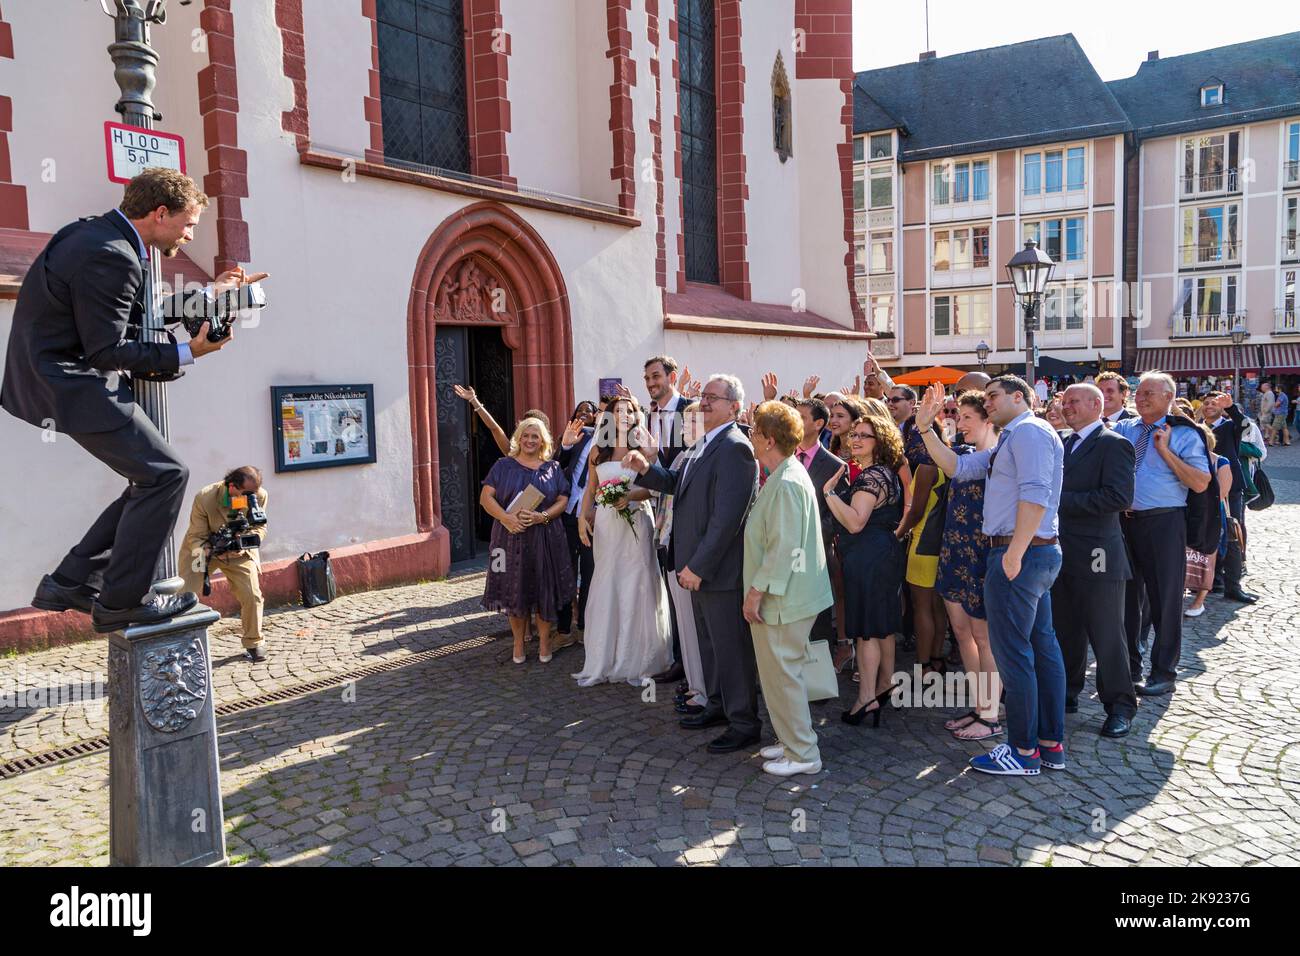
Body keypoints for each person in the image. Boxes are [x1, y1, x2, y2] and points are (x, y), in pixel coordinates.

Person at [6, 168, 266, 632]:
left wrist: (210, 295)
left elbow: (129, 313)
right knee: (167, 475)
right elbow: (108, 347)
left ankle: (70, 580)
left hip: (54, 376)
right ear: (160, 212)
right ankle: (118, 603)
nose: (189, 236)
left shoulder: (97, 234)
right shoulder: (113, 255)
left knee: (149, 478)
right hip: (70, 382)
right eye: (188, 224)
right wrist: (191, 350)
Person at [915, 376, 1066, 776]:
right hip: (1025, 552)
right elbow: (958, 467)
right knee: (1039, 648)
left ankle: (1023, 751)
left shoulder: (1029, 432)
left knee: (1015, 654)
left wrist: (1013, 555)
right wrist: (925, 428)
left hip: (1021, 553)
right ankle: (1047, 745)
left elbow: (1035, 494)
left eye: (993, 396)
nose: (988, 402)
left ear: (1021, 397)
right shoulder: (1012, 439)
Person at [625, 374, 761, 754]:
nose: (702, 403)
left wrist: (699, 566)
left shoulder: (736, 448)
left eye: (712, 398)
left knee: (731, 650)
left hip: (718, 572)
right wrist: (645, 468)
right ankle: (717, 706)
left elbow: (727, 519)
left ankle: (744, 722)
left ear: (734, 406)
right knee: (709, 647)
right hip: (696, 568)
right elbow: (675, 483)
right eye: (702, 396)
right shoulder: (704, 443)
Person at [744, 401, 834, 776]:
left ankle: (803, 754)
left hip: (784, 598)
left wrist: (756, 592)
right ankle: (790, 741)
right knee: (779, 676)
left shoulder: (786, 480)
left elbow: (783, 548)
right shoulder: (786, 473)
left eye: (753, 431)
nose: (749, 436)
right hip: (787, 595)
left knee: (784, 677)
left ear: (767, 439)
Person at [1114, 372, 1211, 696]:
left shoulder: (1184, 434)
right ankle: (1129, 666)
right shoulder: (1125, 428)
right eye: (1139, 393)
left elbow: (1199, 482)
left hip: (1164, 523)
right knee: (1127, 599)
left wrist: (1166, 451)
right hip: (1124, 522)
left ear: (1169, 397)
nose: (1140, 399)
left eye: (1149, 394)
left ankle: (1164, 672)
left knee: (1165, 600)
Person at [1052, 384, 1137, 738]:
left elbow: (1118, 496)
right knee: (1065, 628)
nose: (1066, 406)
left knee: (1106, 632)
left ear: (1096, 405)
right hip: (1061, 550)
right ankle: (1067, 693)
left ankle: (1120, 704)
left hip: (1099, 552)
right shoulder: (1064, 442)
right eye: (1064, 401)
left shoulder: (1114, 443)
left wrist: (1057, 501)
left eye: (1073, 401)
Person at [572, 395, 672, 685]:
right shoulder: (598, 450)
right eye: (617, 410)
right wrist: (582, 517)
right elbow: (591, 488)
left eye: (629, 410)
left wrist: (629, 496)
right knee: (608, 579)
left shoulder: (644, 448)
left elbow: (655, 487)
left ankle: (639, 658)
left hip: (637, 520)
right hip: (606, 523)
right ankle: (606, 656)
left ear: (636, 415)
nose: (623, 414)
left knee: (638, 580)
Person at [822, 409, 907, 728]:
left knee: (867, 630)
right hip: (878, 554)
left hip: (869, 556)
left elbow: (855, 522)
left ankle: (866, 698)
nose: (855, 439)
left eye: (863, 435)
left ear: (879, 441)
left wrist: (829, 494)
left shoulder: (872, 476)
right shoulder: (883, 473)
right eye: (853, 434)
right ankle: (884, 685)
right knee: (881, 626)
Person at [479, 417, 575, 664]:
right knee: (515, 590)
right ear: (518, 438)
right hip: (509, 539)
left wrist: (542, 516)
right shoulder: (503, 466)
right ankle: (518, 641)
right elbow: (485, 498)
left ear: (543, 440)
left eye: (535, 436)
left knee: (544, 588)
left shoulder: (552, 467)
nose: (530, 440)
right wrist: (506, 518)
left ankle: (544, 641)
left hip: (546, 538)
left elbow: (563, 499)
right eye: (526, 435)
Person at [935, 390, 1001, 741]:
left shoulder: (997, 457)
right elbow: (925, 453)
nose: (959, 425)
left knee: (984, 638)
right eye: (957, 418)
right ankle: (979, 706)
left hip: (982, 554)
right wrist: (925, 422)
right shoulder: (960, 454)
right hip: (953, 551)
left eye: (966, 419)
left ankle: (991, 714)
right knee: (962, 634)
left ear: (988, 420)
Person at [179, 466, 270, 661]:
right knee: (184, 595)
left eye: (254, 493)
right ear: (232, 486)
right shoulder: (205, 497)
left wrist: (246, 541)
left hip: (239, 552)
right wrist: (208, 550)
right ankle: (179, 645)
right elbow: (196, 536)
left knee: (252, 595)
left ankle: (254, 642)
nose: (251, 497)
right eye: (246, 493)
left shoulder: (259, 495)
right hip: (204, 549)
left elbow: (260, 526)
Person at [891, 385, 949, 679]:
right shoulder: (945, 460)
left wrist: (898, 534)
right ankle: (936, 657)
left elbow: (915, 511)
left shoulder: (927, 466)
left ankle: (925, 663)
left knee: (922, 607)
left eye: (915, 434)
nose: (910, 439)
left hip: (922, 543)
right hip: (939, 543)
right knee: (937, 607)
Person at [657, 401, 710, 714]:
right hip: (672, 544)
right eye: (685, 422)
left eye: (693, 422)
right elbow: (666, 488)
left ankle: (704, 691)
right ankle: (695, 684)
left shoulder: (711, 455)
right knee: (686, 627)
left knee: (698, 628)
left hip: (695, 554)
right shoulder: (684, 455)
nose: (686, 428)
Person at [642, 356, 691, 686]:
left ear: (672, 377)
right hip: (658, 509)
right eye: (647, 378)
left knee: (686, 587)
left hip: (685, 509)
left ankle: (694, 663)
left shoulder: (691, 411)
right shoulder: (647, 416)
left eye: (656, 376)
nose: (650, 383)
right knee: (668, 582)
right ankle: (678, 657)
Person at [555, 401, 600, 642]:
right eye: (581, 410)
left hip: (593, 517)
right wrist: (565, 444)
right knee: (566, 571)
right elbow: (558, 465)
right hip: (568, 513)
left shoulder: (611, 443)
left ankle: (584, 627)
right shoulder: (578, 437)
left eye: (593, 410)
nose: (587, 414)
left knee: (590, 573)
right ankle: (563, 630)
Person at [1184, 445, 1234, 618]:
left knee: (1207, 557)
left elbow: (1221, 493)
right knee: (1184, 556)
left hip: (1210, 517)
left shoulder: (1220, 461)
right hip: (1187, 514)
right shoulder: (1186, 459)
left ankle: (1199, 600)